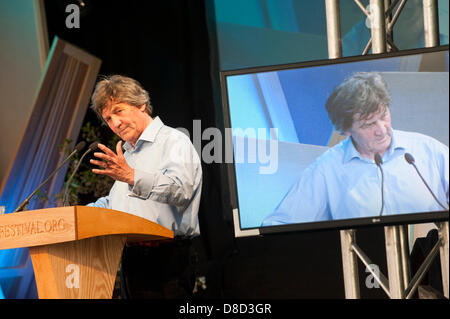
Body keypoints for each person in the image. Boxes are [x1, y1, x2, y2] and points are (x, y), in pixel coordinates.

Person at [263, 72, 449, 225]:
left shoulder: (428, 150)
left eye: (384, 115)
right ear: (345, 129)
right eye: (368, 125)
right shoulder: (326, 170)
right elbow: (277, 224)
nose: (382, 130)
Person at [88, 74, 202, 298]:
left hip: (168, 261)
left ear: (141, 104)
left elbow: (181, 190)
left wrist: (132, 176)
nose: (115, 123)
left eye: (118, 111)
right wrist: (76, 214)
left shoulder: (174, 140)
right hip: (132, 260)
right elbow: (118, 205)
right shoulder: (128, 154)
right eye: (109, 119)